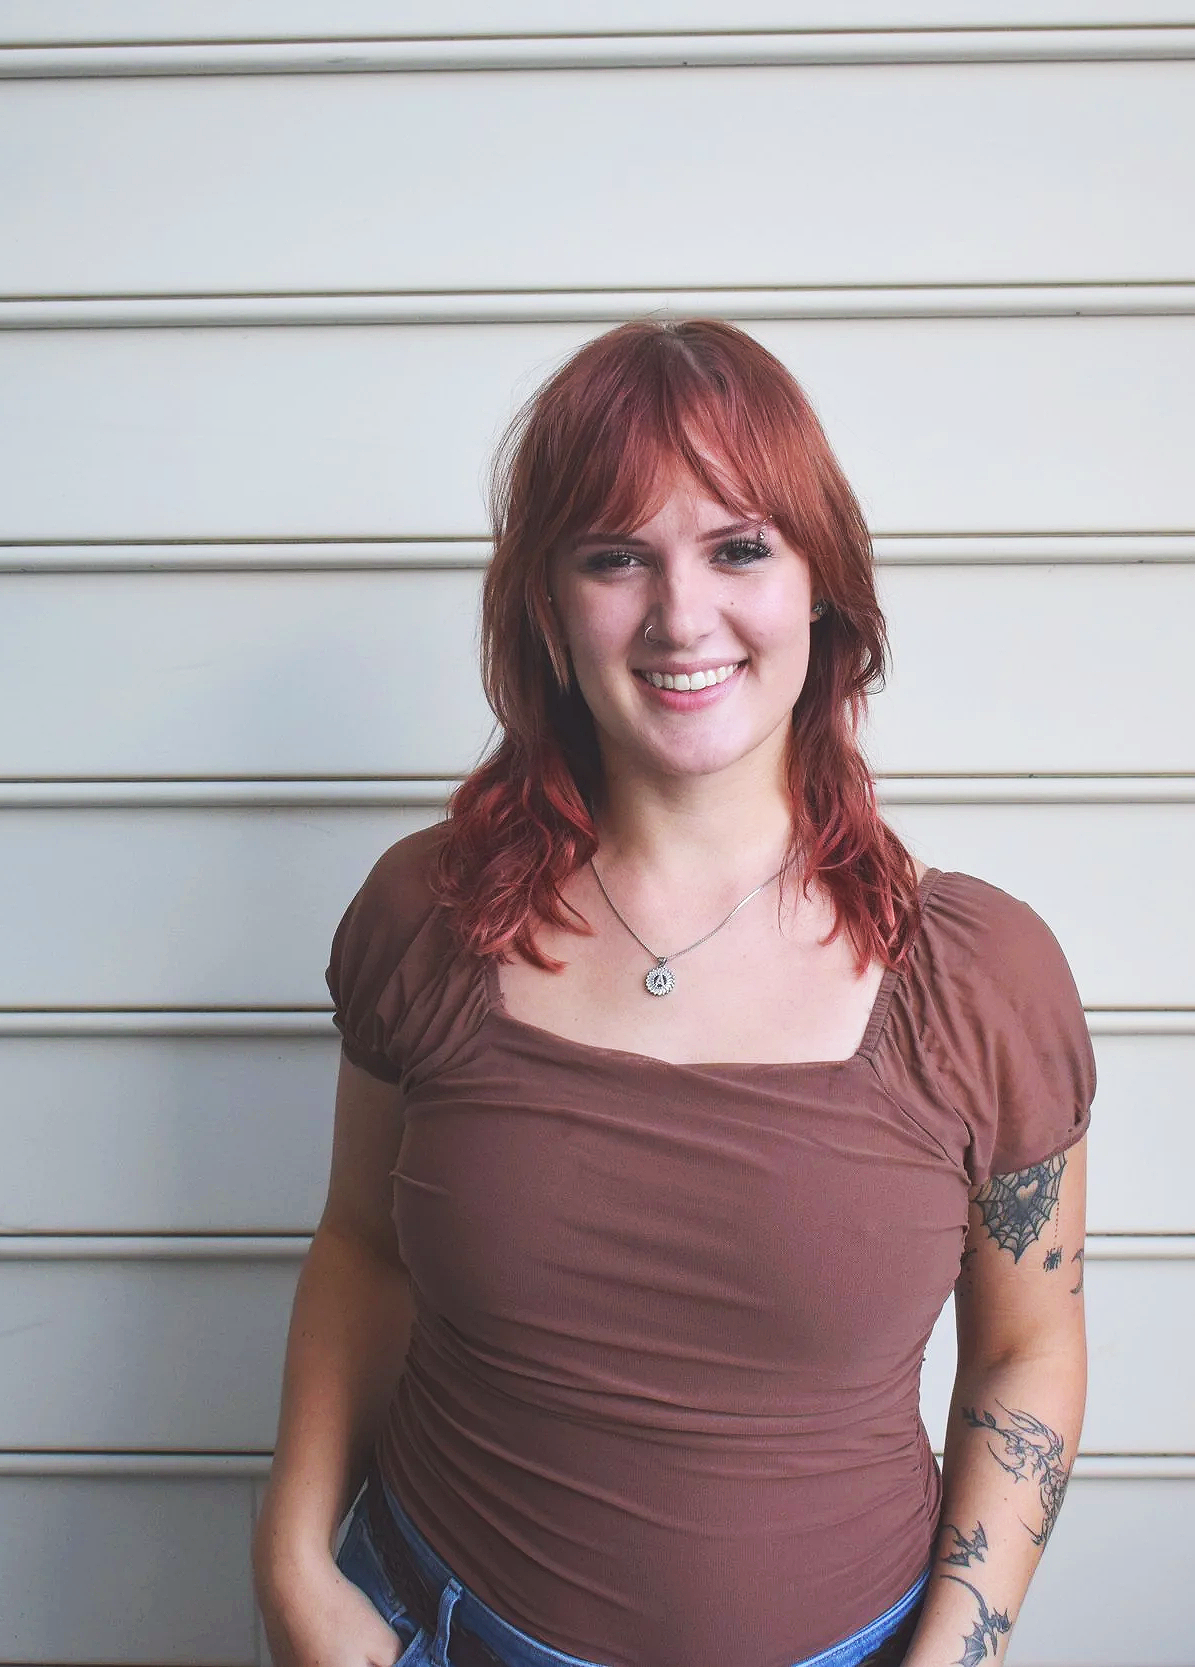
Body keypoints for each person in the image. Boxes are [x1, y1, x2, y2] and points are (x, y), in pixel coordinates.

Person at [252, 318, 1094, 1667]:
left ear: (824, 582)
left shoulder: (980, 978)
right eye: (613, 556)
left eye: (739, 547)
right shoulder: (429, 917)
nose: (680, 614)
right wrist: (292, 1561)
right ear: (546, 600)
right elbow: (363, 1247)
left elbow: (1027, 1348)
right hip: (429, 1628)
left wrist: (957, 1653)